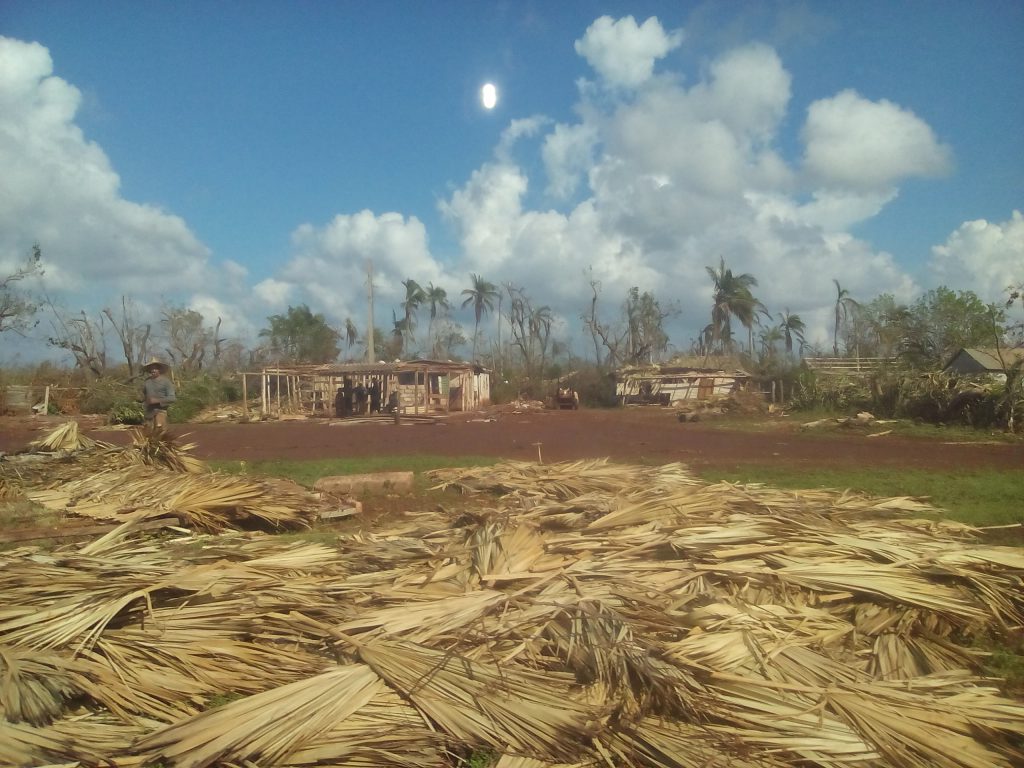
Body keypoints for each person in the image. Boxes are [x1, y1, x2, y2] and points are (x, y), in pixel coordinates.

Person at [141, 358, 176, 429]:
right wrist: (143, 400)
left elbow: (172, 398)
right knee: (148, 434)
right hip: (149, 413)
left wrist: (157, 400)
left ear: (159, 370)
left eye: (155, 368)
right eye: (152, 368)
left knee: (159, 430)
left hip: (160, 411)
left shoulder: (166, 382)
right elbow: (143, 395)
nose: (153, 370)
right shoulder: (147, 382)